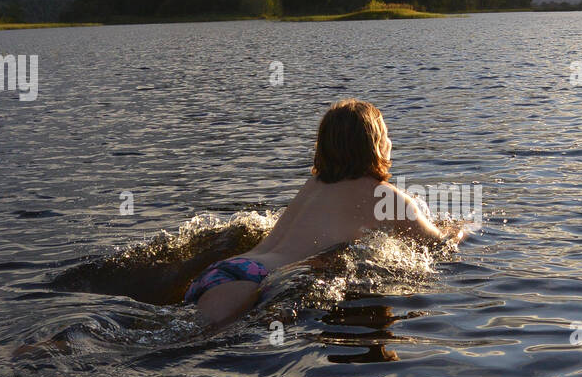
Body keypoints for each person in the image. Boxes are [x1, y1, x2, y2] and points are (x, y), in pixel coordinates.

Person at [185, 99, 469, 328]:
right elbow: (437, 244)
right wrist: (463, 229)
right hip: (254, 284)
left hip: (227, 269)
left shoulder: (315, 183)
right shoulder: (385, 195)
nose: (390, 142)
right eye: (386, 135)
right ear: (376, 146)